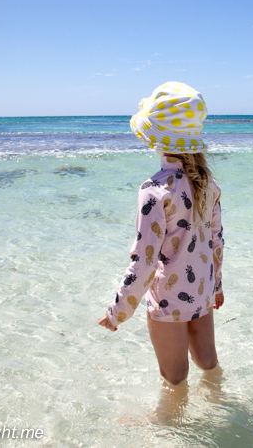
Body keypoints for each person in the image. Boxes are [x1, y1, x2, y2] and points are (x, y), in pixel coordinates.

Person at [99, 81, 225, 389]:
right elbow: (216, 242)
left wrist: (119, 310)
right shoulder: (207, 184)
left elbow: (145, 260)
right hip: (203, 290)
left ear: (155, 138)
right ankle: (219, 407)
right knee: (208, 364)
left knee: (175, 378)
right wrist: (217, 287)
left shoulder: (155, 191)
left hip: (169, 298)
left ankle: (170, 426)